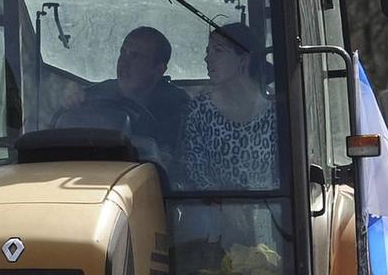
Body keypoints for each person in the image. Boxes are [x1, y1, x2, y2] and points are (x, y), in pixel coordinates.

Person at [63, 25, 190, 155]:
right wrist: (72, 101)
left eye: (135, 56)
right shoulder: (94, 95)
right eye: (123, 52)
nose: (123, 62)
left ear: (159, 70)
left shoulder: (176, 104)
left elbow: (171, 157)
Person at [181, 22, 277, 190]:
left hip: (273, 205)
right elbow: (195, 168)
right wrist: (224, 203)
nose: (207, 58)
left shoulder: (275, 108)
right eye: (207, 51)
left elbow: (286, 169)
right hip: (215, 207)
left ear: (244, 59)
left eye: (218, 51)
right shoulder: (200, 109)